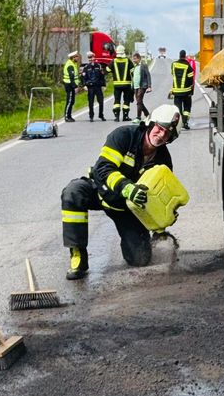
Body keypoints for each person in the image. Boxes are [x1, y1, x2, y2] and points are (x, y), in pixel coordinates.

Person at [60, 104, 181, 280]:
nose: (161, 135)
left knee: (140, 259)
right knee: (73, 192)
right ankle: (78, 254)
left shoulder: (163, 163)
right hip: (100, 191)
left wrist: (164, 216)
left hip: (127, 209)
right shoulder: (124, 136)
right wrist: (126, 187)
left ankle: (133, 241)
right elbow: (103, 169)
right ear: (151, 123)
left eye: (167, 133)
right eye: (159, 128)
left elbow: (158, 198)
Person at [171, 49, 195, 130]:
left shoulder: (173, 64)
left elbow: (173, 74)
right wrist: (191, 91)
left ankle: (179, 123)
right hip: (186, 91)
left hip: (176, 91)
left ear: (179, 55)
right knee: (187, 108)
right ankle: (185, 122)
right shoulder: (188, 66)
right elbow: (191, 79)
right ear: (185, 56)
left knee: (178, 108)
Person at [110, 44, 134, 122]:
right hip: (127, 84)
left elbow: (107, 69)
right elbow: (133, 71)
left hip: (117, 85)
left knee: (117, 101)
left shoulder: (113, 61)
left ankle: (117, 117)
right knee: (126, 101)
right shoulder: (128, 60)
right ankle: (125, 116)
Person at [81, 51, 107, 121]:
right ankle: (91, 116)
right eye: (89, 58)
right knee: (91, 102)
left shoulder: (98, 66)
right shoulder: (86, 67)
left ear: (94, 58)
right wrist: (84, 85)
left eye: (92, 57)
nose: (91, 59)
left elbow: (102, 76)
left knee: (101, 101)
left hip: (98, 86)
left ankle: (101, 115)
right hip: (90, 87)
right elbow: (83, 77)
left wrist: (104, 85)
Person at [131, 53, 151, 121]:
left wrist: (149, 86)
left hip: (142, 86)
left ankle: (138, 117)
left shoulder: (143, 65)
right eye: (133, 58)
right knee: (139, 102)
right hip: (135, 86)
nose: (133, 60)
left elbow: (148, 75)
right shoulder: (134, 66)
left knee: (139, 101)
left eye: (135, 58)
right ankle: (147, 115)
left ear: (139, 58)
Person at [62, 50, 81, 122]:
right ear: (73, 57)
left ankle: (69, 115)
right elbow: (71, 77)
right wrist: (75, 87)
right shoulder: (70, 65)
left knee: (72, 101)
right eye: (76, 57)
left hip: (71, 85)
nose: (77, 58)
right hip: (69, 85)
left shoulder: (73, 63)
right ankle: (67, 116)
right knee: (69, 101)